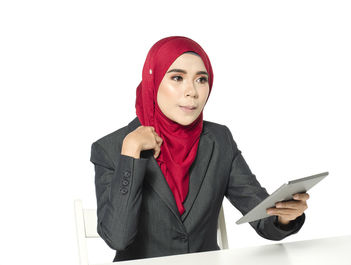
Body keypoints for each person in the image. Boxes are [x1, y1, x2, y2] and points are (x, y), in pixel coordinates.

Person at [90, 36, 309, 262]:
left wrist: (285, 217)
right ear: (152, 81)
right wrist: (131, 153)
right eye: (177, 77)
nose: (192, 91)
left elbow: (262, 218)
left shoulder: (219, 140)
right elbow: (117, 238)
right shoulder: (110, 148)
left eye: (201, 80)